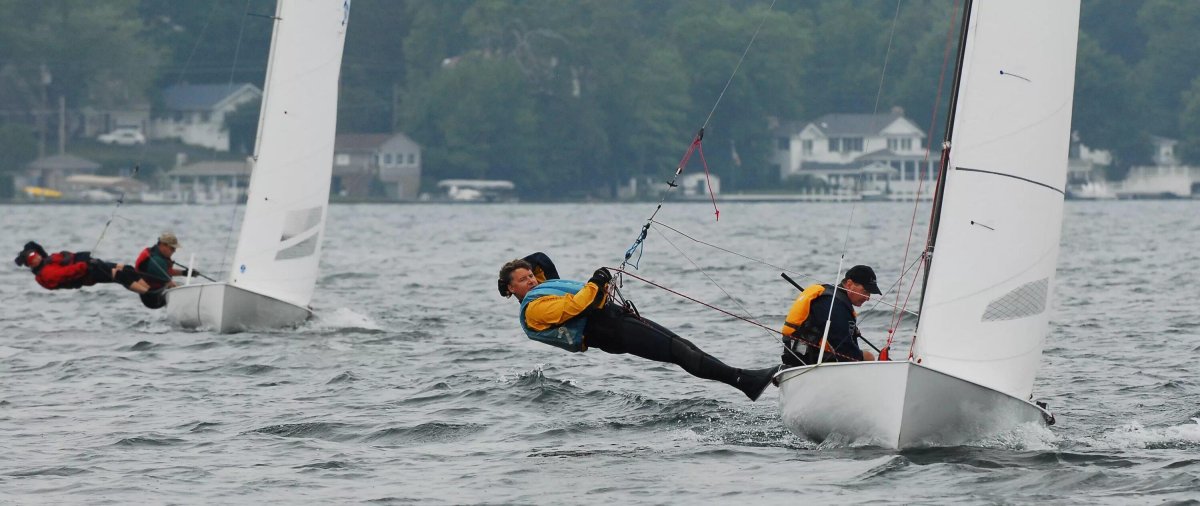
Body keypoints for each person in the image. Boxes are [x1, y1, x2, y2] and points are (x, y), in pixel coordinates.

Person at [498, 253, 780, 401]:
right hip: (608, 331)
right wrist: (597, 281)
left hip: (613, 319)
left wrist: (598, 284)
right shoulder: (534, 309)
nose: (531, 280)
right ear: (511, 289)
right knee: (678, 351)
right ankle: (745, 381)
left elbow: (540, 260)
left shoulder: (542, 286)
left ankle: (747, 380)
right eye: (522, 280)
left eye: (529, 276)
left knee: (682, 345)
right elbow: (575, 306)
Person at [780, 265, 881, 367]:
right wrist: (865, 357)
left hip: (809, 362)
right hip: (807, 365)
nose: (868, 298)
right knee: (869, 357)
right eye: (865, 291)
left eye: (870, 293)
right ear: (849, 284)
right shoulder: (833, 304)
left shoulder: (835, 301)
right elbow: (844, 351)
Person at [14, 241, 152, 295]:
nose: (37, 257)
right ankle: (149, 294)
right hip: (88, 273)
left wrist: (28, 249)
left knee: (127, 268)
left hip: (90, 263)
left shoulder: (45, 260)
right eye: (33, 259)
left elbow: (34, 246)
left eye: (36, 255)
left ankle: (150, 288)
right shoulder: (46, 273)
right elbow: (67, 273)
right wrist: (85, 264)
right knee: (120, 275)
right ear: (31, 265)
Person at [134, 232, 197, 309]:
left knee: (181, 286)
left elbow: (167, 271)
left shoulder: (157, 254)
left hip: (158, 292)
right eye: (172, 248)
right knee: (183, 289)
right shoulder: (156, 261)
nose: (174, 251)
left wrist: (185, 273)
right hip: (153, 298)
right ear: (163, 245)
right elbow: (170, 284)